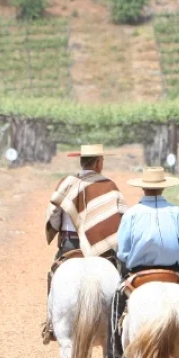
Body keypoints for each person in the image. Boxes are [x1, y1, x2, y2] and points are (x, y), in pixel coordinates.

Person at [108, 166, 179, 358]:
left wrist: (131, 261)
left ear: (143, 189)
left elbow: (123, 250)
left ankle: (115, 356)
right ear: (163, 189)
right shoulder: (178, 212)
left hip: (139, 273)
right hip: (173, 272)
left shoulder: (131, 214)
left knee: (116, 302)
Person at [43, 144, 126, 343]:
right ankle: (121, 321)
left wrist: (60, 225)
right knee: (121, 279)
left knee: (54, 274)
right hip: (101, 250)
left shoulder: (67, 183)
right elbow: (121, 217)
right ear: (98, 163)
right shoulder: (109, 186)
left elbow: (54, 215)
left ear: (81, 161)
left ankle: (51, 323)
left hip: (70, 245)